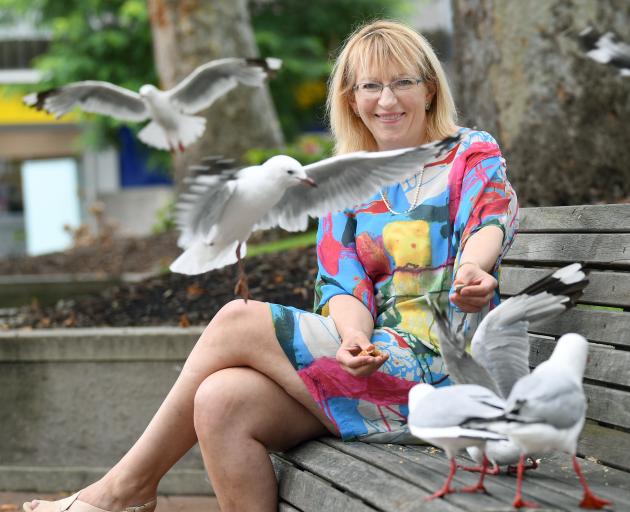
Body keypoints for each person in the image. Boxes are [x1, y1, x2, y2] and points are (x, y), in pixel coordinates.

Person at [24, 19, 518, 512]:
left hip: (448, 378)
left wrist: (473, 269)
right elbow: (342, 279)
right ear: (351, 98)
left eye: (402, 83)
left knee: (238, 319)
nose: (386, 100)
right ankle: (126, 491)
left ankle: (123, 490)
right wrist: (351, 337)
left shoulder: (469, 153)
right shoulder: (343, 182)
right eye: (370, 86)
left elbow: (487, 218)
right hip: (376, 370)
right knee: (220, 401)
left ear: (429, 89)